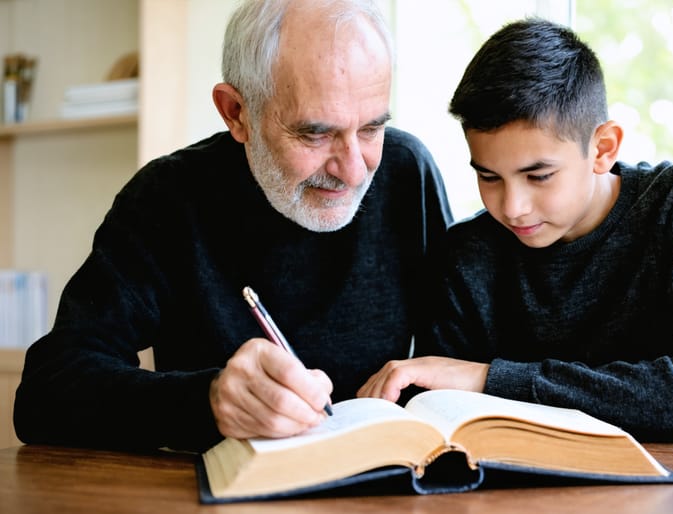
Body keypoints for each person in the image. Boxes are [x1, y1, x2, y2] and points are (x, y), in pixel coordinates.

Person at [14, 0, 451, 452]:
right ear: (236, 112)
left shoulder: (405, 173)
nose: (356, 171)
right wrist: (208, 401)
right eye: (316, 134)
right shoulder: (167, 197)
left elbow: (462, 360)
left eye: (371, 128)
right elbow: (45, 393)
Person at [359, 18, 673, 444]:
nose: (512, 208)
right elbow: (446, 423)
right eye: (490, 177)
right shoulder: (468, 256)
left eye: (538, 176)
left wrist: (492, 380)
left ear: (603, 148)